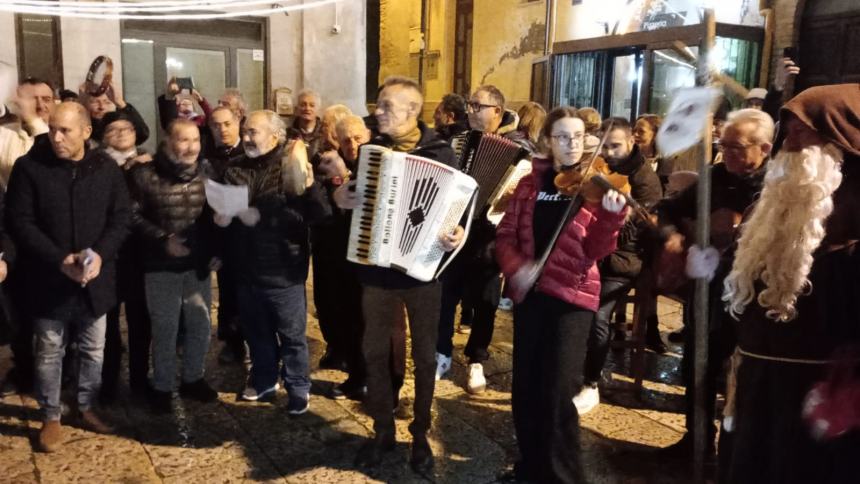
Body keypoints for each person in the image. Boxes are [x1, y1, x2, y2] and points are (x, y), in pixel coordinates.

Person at [721, 84, 860, 483]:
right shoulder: (772, 204)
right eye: (789, 130)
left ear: (842, 138)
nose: (791, 141)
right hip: (757, 380)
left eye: (805, 130)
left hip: (817, 390)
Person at [333, 76, 464, 476]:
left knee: (425, 358)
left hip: (422, 271)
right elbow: (354, 205)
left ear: (412, 111)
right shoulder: (372, 153)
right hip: (377, 270)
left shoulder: (443, 155)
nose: (377, 112)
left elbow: (460, 211)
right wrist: (339, 199)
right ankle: (382, 430)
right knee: (373, 351)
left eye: (386, 106)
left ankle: (421, 434)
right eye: (378, 104)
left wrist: (458, 233)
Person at [495, 107, 627, 483]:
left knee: (556, 395)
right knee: (525, 389)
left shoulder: (595, 186)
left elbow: (597, 251)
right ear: (548, 142)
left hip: (571, 297)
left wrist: (610, 218)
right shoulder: (529, 184)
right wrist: (517, 267)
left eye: (578, 136)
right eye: (562, 137)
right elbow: (504, 234)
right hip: (530, 294)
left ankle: (565, 476)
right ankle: (532, 467)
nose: (571, 145)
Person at [5, 102, 130, 452]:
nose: (56, 137)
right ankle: (51, 414)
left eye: (66, 130)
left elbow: (121, 217)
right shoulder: (29, 168)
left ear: (87, 132)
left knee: (94, 349)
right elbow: (21, 221)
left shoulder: (105, 168)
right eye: (53, 128)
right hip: (49, 277)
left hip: (95, 278)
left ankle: (86, 405)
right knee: (49, 350)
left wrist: (101, 254)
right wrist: (59, 259)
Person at [658, 108, 774, 459]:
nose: (726, 154)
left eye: (736, 147)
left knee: (749, 376)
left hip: (757, 294)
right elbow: (667, 209)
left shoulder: (779, 185)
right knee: (699, 365)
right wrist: (673, 236)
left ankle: (740, 451)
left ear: (765, 148)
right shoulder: (714, 175)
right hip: (711, 288)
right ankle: (696, 442)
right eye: (723, 145)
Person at [220, 110, 330, 416]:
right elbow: (227, 216)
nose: (245, 138)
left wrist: (309, 189)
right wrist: (223, 217)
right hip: (246, 267)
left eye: (253, 132)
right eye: (245, 132)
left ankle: (297, 386)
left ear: (275, 135)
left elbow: (320, 214)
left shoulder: (291, 165)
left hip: (284, 267)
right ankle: (265, 379)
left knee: (293, 335)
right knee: (257, 332)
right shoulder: (235, 168)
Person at [436, 84, 524, 392]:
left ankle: (476, 359)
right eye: (470, 105)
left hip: (490, 236)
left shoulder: (520, 149)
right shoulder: (454, 139)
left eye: (477, 106)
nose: (470, 111)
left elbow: (524, 195)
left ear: (497, 112)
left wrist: (512, 197)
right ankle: (442, 352)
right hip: (454, 229)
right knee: (445, 295)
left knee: (486, 301)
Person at [129, 119, 221, 414]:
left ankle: (194, 377)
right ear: (168, 142)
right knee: (165, 328)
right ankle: (163, 385)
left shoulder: (207, 172)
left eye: (195, 140)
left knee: (200, 323)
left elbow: (213, 218)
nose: (191, 147)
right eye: (183, 140)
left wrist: (216, 251)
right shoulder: (143, 174)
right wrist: (162, 239)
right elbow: (131, 216)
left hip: (196, 264)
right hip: (160, 265)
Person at [575, 117, 662, 415]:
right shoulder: (602, 168)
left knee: (596, 314)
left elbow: (638, 234)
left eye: (615, 146)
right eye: (605, 145)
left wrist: (608, 219)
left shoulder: (644, 182)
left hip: (622, 261)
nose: (608, 152)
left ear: (631, 143)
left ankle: (591, 382)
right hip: (592, 254)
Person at [98, 110, 152, 402]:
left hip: (140, 253)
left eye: (126, 128)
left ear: (136, 133)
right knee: (107, 323)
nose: (120, 134)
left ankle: (140, 380)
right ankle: (108, 382)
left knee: (140, 320)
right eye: (113, 129)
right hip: (107, 254)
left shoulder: (151, 163)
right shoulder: (95, 164)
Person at [205, 106, 246, 365]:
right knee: (228, 292)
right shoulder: (208, 157)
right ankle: (233, 342)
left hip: (249, 236)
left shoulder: (251, 153)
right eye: (217, 125)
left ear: (238, 122)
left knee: (251, 292)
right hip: (223, 237)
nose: (223, 130)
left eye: (228, 124)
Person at [82, 79, 149, 146]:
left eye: (107, 102)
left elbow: (142, 135)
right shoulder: (83, 129)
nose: (102, 107)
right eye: (95, 102)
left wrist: (120, 103)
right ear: (84, 104)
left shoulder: (117, 122)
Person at [288, 89, 322, 159]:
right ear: (297, 108)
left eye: (312, 105)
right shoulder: (288, 134)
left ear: (318, 109)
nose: (307, 108)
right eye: (303, 105)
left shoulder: (324, 134)